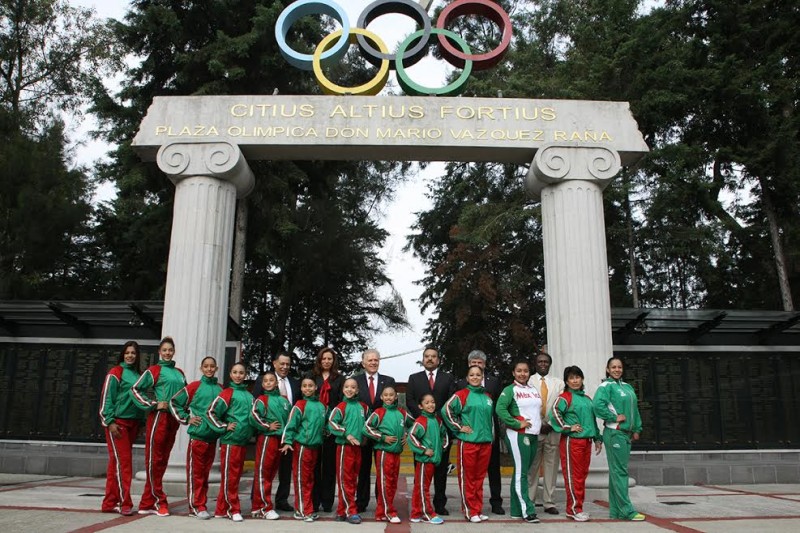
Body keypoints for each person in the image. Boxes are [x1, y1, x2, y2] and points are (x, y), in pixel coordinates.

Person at [131, 336, 186, 517]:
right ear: (159, 352)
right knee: (154, 460)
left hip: (173, 420)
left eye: (170, 350)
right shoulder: (154, 370)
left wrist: (185, 414)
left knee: (162, 461)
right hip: (159, 418)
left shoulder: (179, 373)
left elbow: (185, 396)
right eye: (164, 350)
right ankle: (158, 501)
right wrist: (153, 404)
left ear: (174, 352)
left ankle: (147, 502)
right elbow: (135, 389)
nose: (168, 353)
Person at [169, 356, 222, 520]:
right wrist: (187, 419)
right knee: (196, 474)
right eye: (206, 366)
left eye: (212, 366)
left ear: (216, 368)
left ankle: (201, 504)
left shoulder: (221, 389)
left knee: (205, 475)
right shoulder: (194, 386)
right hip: (198, 437)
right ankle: (196, 506)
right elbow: (174, 402)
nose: (209, 369)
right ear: (201, 368)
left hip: (213, 438)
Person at [405, 345, 456, 515]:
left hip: (441, 430)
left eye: (433, 356)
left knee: (441, 472)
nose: (430, 359)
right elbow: (410, 400)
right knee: (420, 471)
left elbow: (451, 401)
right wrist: (425, 417)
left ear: (438, 360)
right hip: (422, 431)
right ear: (423, 359)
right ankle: (418, 504)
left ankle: (440, 504)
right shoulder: (414, 378)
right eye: (427, 356)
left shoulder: (448, 378)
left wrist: (436, 417)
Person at [593, 356, 645, 521]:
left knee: (616, 473)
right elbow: (597, 406)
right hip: (615, 433)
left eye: (619, 367)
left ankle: (616, 510)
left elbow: (634, 409)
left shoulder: (627, 387)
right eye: (613, 367)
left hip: (626, 434)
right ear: (607, 370)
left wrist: (637, 428)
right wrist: (613, 417)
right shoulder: (605, 386)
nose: (617, 370)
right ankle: (626, 510)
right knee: (620, 472)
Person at [550, 365, 602, 522]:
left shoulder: (587, 399)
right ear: (566, 381)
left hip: (586, 441)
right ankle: (573, 510)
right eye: (571, 378)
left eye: (577, 377)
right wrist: (567, 427)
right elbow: (554, 412)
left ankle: (577, 508)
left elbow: (592, 420)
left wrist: (597, 438)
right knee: (574, 476)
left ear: (582, 379)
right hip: (572, 441)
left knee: (582, 475)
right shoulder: (565, 397)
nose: (575, 381)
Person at [99, 341, 145, 516]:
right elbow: (107, 398)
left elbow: (140, 399)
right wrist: (110, 421)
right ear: (122, 355)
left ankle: (109, 503)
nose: (130, 356)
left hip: (133, 424)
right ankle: (124, 502)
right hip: (118, 424)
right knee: (124, 463)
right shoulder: (116, 372)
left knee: (116, 464)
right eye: (127, 353)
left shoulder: (139, 375)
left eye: (133, 353)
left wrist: (141, 422)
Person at [444, 365, 494, 523]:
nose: (475, 377)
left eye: (478, 375)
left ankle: (477, 509)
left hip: (485, 443)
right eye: (472, 375)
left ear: (482, 377)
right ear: (467, 378)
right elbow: (446, 410)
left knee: (479, 478)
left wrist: (491, 436)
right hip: (468, 443)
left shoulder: (487, 396)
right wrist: (459, 427)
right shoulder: (462, 395)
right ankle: (470, 511)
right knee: (468, 478)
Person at [456, 349, 504, 515]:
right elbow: (453, 410)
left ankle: (496, 502)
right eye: (473, 363)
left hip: (490, 435)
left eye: (479, 363)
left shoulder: (494, 383)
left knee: (493, 469)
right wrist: (460, 427)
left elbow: (499, 407)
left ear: (484, 365)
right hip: (470, 438)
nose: (476, 366)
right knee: (471, 474)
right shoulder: (461, 385)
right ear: (469, 365)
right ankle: (471, 508)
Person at [252, 352, 300, 512]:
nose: (285, 367)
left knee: (285, 471)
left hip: (287, 435)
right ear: (274, 363)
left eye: (287, 364)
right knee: (264, 469)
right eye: (282, 363)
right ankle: (258, 501)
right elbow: (255, 406)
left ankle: (282, 500)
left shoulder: (294, 383)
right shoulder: (263, 381)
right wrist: (265, 426)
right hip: (268, 435)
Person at [495, 358, 541, 523]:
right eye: (519, 371)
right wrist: (516, 423)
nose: (522, 374)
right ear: (513, 373)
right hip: (518, 434)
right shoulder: (510, 390)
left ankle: (516, 510)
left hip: (533, 434)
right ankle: (527, 510)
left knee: (521, 472)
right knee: (522, 474)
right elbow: (500, 408)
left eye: (526, 371)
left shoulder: (533, 389)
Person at [208, 362, 255, 522]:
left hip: (243, 442)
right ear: (230, 374)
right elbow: (211, 412)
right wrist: (224, 426)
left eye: (241, 372)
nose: (238, 375)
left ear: (245, 375)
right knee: (230, 477)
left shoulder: (249, 396)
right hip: (230, 442)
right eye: (235, 372)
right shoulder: (227, 393)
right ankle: (233, 509)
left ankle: (221, 509)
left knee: (233, 477)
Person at [354, 348, 396, 513]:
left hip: (383, 433)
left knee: (383, 470)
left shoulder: (389, 381)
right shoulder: (355, 380)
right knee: (363, 469)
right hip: (363, 433)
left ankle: (382, 501)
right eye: (370, 360)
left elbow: (392, 406)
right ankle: (361, 502)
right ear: (363, 363)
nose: (373, 363)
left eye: (376, 360)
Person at [280, 376, 326, 522]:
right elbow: (291, 424)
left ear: (316, 387)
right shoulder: (299, 405)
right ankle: (303, 510)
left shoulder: (322, 406)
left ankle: (306, 508)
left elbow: (326, 425)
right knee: (301, 479)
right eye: (304, 386)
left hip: (315, 447)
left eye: (310, 385)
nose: (307, 388)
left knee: (310, 479)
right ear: (301, 388)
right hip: (302, 447)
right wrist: (287, 441)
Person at [364, 385, 410, 524]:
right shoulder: (379, 412)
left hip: (396, 453)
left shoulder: (402, 413)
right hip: (384, 452)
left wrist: (407, 435)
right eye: (386, 395)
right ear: (381, 397)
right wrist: (382, 437)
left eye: (391, 395)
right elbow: (366, 428)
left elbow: (415, 424)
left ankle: (381, 512)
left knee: (393, 482)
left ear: (396, 397)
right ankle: (388, 512)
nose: (388, 397)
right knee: (385, 482)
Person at [527, 346, 564, 515]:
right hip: (534, 429)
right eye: (540, 361)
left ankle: (549, 502)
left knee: (551, 466)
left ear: (550, 364)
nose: (543, 364)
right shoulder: (528, 381)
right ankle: (530, 499)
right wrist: (538, 424)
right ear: (535, 364)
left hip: (552, 430)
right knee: (532, 467)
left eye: (546, 362)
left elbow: (561, 406)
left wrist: (551, 424)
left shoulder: (559, 383)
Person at [250, 371, 291, 520]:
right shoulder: (261, 400)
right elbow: (253, 416)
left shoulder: (284, 400)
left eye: (271, 380)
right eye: (265, 381)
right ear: (262, 384)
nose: (268, 382)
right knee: (263, 473)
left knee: (271, 473)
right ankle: (264, 507)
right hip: (267, 439)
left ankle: (257, 507)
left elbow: (290, 420)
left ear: (276, 382)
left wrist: (287, 439)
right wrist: (267, 426)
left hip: (280, 440)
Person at [327, 377, 368, 524]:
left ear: (357, 390)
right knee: (345, 480)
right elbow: (331, 423)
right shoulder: (340, 407)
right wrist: (346, 434)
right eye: (347, 387)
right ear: (343, 389)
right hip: (345, 447)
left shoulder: (363, 407)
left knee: (353, 479)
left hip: (358, 448)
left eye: (353, 387)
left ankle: (341, 510)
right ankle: (351, 511)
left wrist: (365, 437)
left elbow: (368, 424)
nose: (349, 389)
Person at [309, 347, 344, 513]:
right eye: (324, 358)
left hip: (331, 426)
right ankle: (314, 501)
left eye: (329, 358)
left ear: (333, 361)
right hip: (314, 425)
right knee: (314, 465)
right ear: (319, 360)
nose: (326, 361)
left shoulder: (340, 379)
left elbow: (342, 402)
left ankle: (328, 501)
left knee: (329, 466)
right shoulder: (311, 377)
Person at [408, 392, 448, 525]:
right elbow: (411, 437)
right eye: (427, 403)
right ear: (420, 406)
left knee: (421, 487)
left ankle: (416, 513)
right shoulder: (421, 421)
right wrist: (424, 450)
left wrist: (442, 447)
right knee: (422, 487)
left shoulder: (437, 420)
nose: (431, 405)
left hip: (434, 460)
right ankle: (427, 514)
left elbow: (444, 435)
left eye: (432, 402)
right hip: (424, 461)